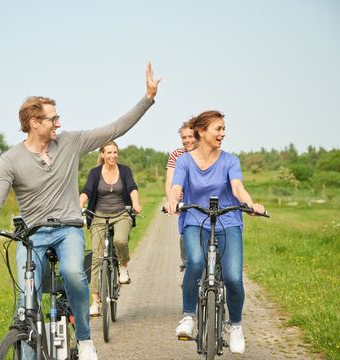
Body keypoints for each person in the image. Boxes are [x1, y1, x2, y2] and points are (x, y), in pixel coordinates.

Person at [0, 63, 161, 360]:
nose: (58, 123)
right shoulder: (10, 159)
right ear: (34, 121)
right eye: (53, 118)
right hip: (32, 235)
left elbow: (115, 128)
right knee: (25, 297)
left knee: (73, 273)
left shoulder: (70, 142)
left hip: (68, 229)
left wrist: (147, 98)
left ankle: (84, 339)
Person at [164, 110, 265, 354]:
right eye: (218, 129)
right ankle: (188, 316)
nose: (223, 133)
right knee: (195, 263)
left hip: (228, 221)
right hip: (195, 219)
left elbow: (237, 187)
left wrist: (250, 204)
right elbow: (176, 186)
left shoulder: (230, 160)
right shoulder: (185, 161)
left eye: (223, 129)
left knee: (232, 277)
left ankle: (236, 326)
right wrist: (172, 201)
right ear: (202, 131)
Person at [79, 141, 141, 316]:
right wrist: (79, 204)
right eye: (109, 153)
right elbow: (86, 191)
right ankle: (96, 302)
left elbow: (132, 188)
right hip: (98, 216)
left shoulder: (125, 170)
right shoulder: (95, 173)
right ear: (102, 155)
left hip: (121, 214)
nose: (112, 156)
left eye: (115, 152)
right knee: (96, 258)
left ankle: (123, 266)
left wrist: (135, 203)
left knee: (120, 240)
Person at [164, 119, 196, 283]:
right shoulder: (177, 154)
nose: (188, 140)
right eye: (184, 137)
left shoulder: (208, 153)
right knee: (185, 235)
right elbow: (170, 181)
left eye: (190, 136)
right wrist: (172, 201)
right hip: (186, 202)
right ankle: (185, 267)